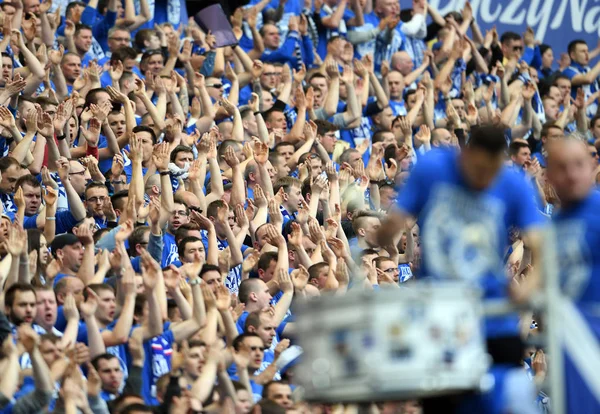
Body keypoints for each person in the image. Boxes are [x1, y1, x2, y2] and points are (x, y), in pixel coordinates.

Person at [379, 124, 544, 413]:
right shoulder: (433, 167)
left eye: (491, 173)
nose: (484, 179)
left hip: (492, 313)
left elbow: (544, 247)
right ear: (465, 154)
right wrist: (385, 232)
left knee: (512, 396)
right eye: (479, 170)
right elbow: (393, 224)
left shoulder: (512, 183)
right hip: (439, 314)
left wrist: (526, 291)